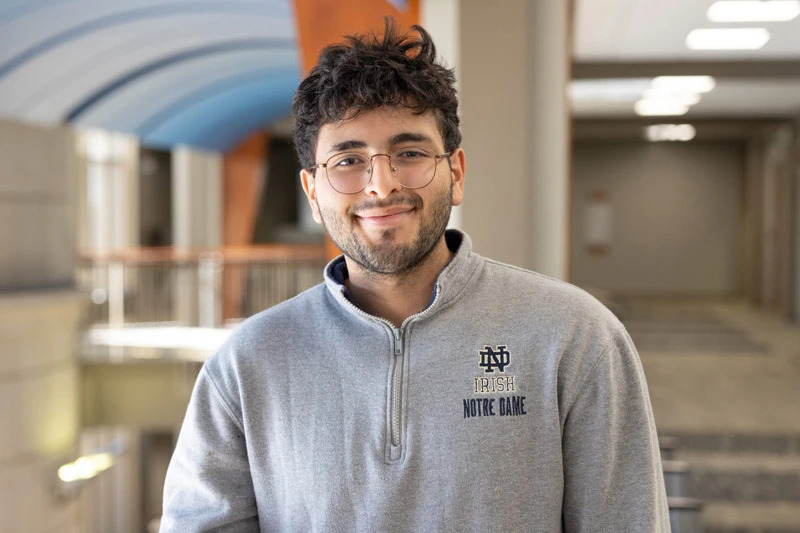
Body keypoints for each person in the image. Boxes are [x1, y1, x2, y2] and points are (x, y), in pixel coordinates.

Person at [161, 20, 670, 532]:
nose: (381, 186)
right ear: (313, 192)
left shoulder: (575, 336)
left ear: (457, 172)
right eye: (348, 160)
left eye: (409, 154)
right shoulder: (247, 364)